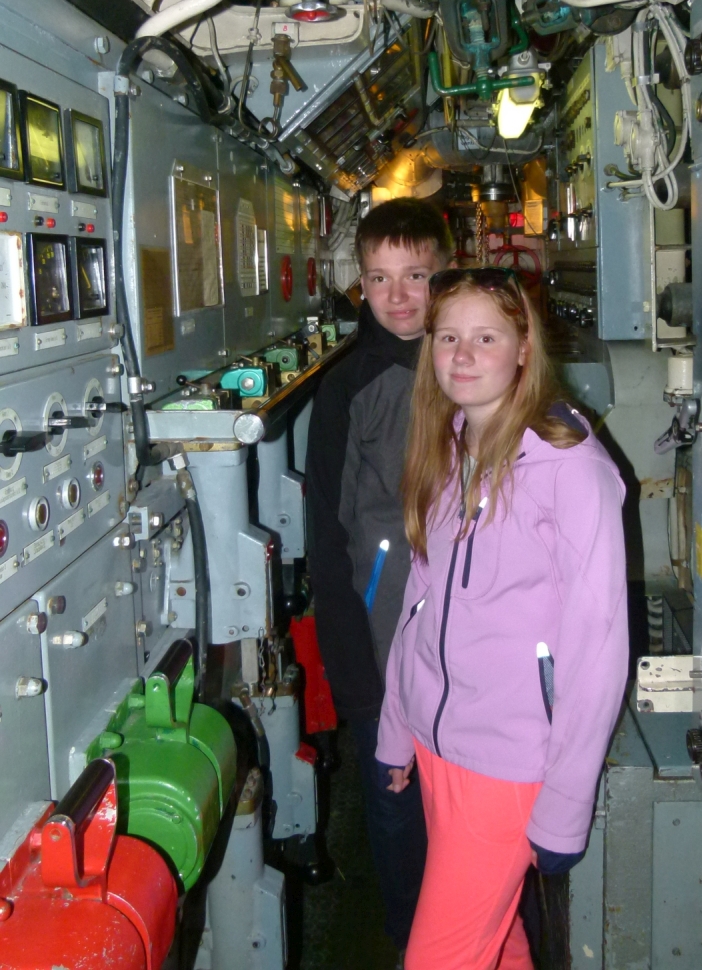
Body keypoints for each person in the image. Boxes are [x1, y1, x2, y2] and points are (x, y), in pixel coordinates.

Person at [377, 268, 629, 970]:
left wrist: (565, 804)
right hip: (441, 748)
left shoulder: (569, 467)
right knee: (495, 938)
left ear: (524, 349)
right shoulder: (452, 442)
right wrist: (398, 728)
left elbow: (599, 646)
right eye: (447, 337)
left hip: (510, 766)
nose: (461, 355)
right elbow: (419, 602)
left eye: (485, 338)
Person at [305, 197, 454, 958]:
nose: (397, 296)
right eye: (378, 278)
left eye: (415, 276)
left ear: (443, 275)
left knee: (467, 813)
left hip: (472, 651)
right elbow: (328, 542)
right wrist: (356, 684)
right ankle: (409, 943)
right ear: (358, 283)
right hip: (385, 642)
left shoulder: (475, 366)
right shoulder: (348, 388)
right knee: (397, 815)